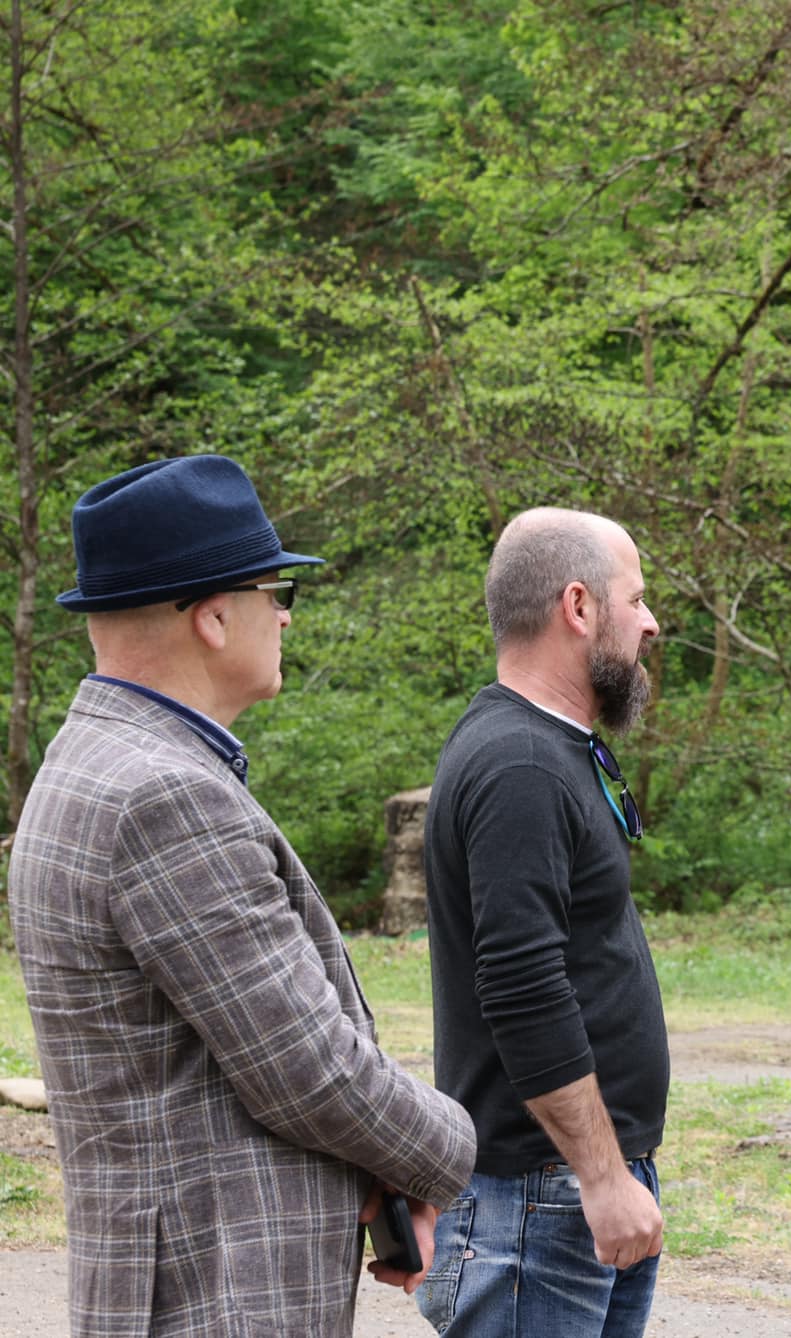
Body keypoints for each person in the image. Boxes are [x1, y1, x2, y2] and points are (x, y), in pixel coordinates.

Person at [6, 455, 477, 1338]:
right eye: (275, 591)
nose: (287, 614)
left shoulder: (94, 762)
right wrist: (455, 1151)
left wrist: (378, 1170)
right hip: (216, 1296)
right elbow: (308, 1071)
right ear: (215, 617)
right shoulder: (164, 796)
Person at [418, 507, 669, 1336]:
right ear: (579, 606)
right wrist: (600, 1177)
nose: (650, 623)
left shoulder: (548, 746)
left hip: (563, 1193)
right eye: (635, 599)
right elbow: (523, 989)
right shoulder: (519, 764)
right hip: (539, 1200)